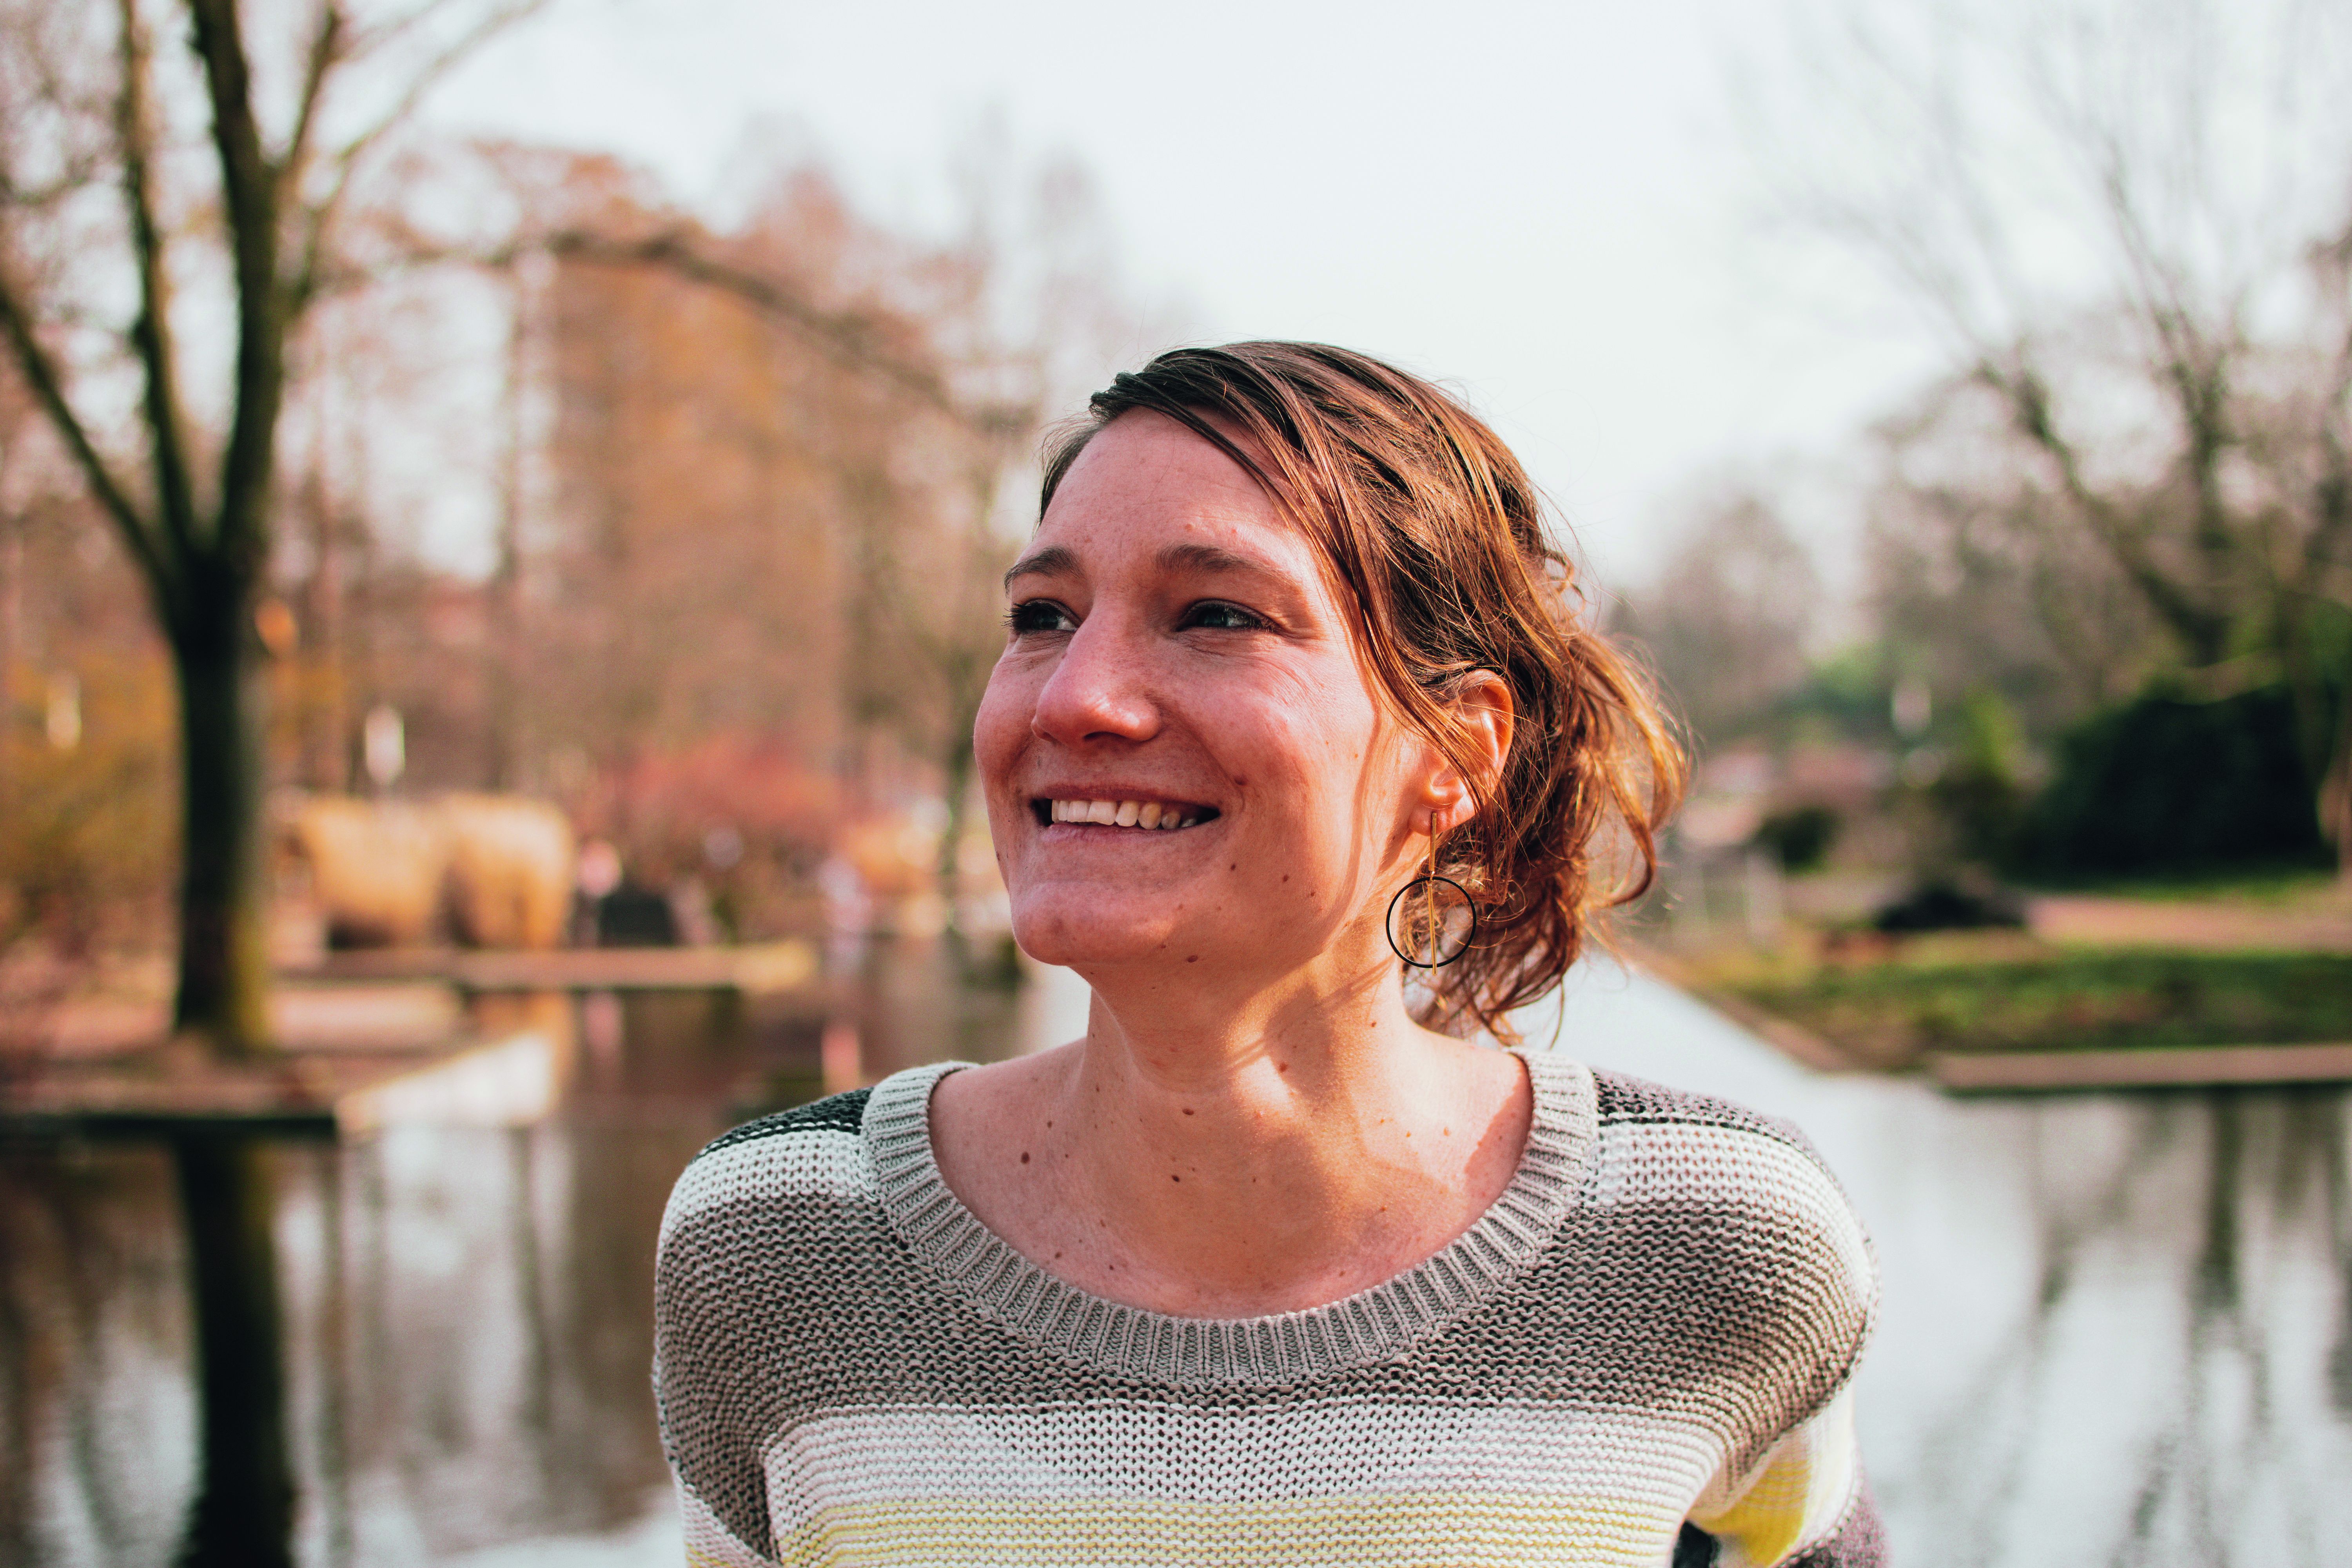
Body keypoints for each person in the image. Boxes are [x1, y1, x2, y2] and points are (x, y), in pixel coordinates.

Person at [654, 343, 1882, 1568]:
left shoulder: (1716, 1240)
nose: (1074, 698)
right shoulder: (776, 1245)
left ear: (1457, 750)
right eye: (1043, 618)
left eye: (1217, 616)